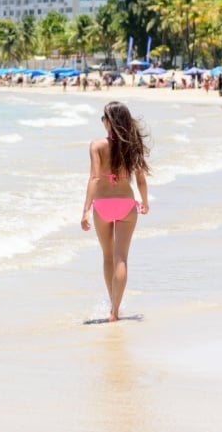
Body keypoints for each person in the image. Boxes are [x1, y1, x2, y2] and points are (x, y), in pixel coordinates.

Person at [81, 100, 151, 322]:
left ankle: (113, 302)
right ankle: (115, 311)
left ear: (110, 122)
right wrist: (145, 201)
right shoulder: (132, 146)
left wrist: (85, 210)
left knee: (108, 257)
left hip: (102, 205)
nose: (102, 122)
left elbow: (93, 177)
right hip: (126, 205)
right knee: (122, 258)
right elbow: (140, 179)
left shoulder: (96, 145)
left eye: (104, 118)